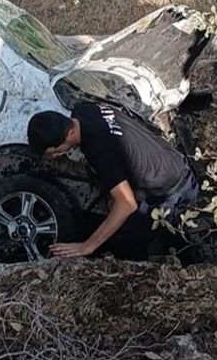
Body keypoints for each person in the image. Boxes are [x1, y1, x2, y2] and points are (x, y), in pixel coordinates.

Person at [27, 101, 198, 260]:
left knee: (128, 247)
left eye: (57, 151)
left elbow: (127, 203)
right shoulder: (84, 110)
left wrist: (87, 246)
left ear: (70, 133)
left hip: (172, 191)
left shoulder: (99, 149)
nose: (57, 156)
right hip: (172, 161)